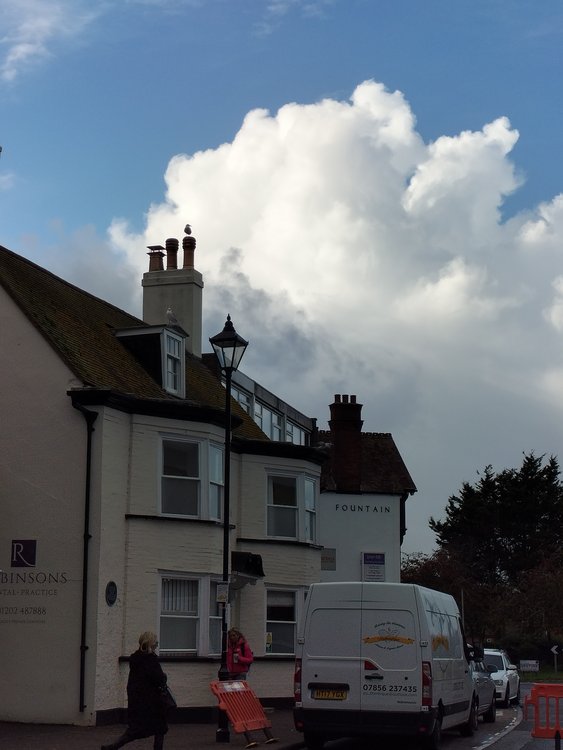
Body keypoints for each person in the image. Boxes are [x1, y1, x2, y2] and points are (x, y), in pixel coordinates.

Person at [101, 631, 169, 750]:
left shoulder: (135, 659)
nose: (157, 645)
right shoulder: (151, 660)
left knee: (134, 730)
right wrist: (164, 677)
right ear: (151, 644)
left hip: (137, 701)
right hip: (153, 701)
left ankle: (113, 746)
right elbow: (158, 678)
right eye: (155, 642)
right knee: (160, 727)